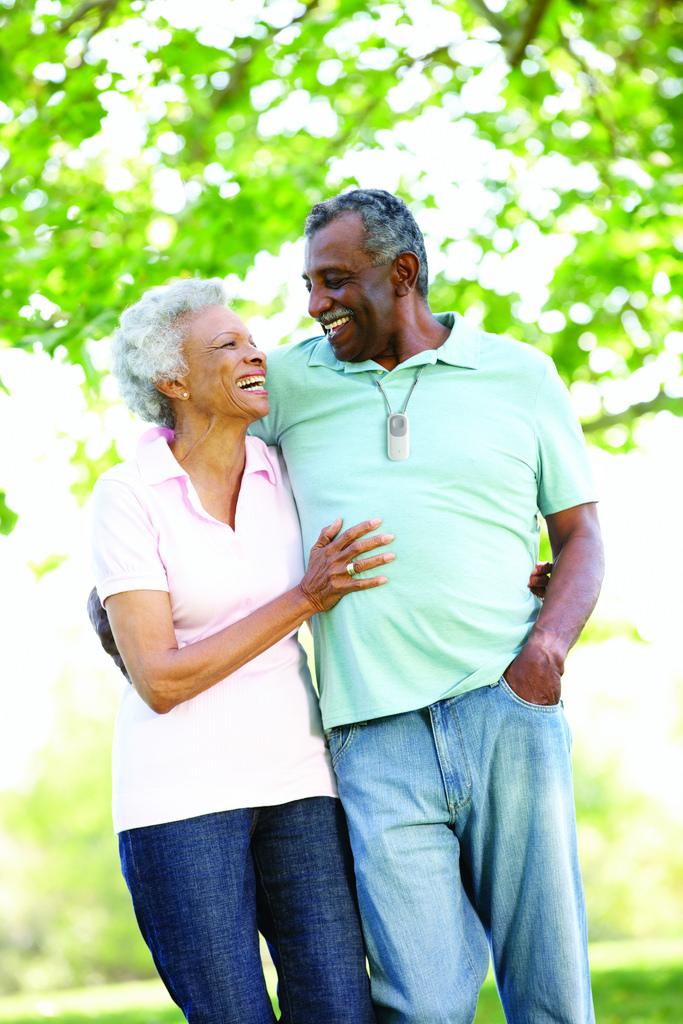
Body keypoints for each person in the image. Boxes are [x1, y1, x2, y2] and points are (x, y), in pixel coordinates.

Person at [247, 188, 605, 1024]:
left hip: (505, 707)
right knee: (420, 1003)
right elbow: (194, 459)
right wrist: (126, 586)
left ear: (402, 273)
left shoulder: (519, 373)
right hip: (372, 733)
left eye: (334, 281)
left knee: (550, 992)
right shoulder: (291, 378)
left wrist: (545, 653)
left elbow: (581, 536)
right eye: (308, 284)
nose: (314, 304)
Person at [88, 277, 394, 1024]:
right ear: (174, 380)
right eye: (227, 344)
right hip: (177, 803)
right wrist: (302, 600)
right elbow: (158, 679)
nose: (257, 353)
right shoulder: (128, 494)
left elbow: (390, 523)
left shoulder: (283, 474)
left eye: (252, 339)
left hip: (298, 783)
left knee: (339, 1007)